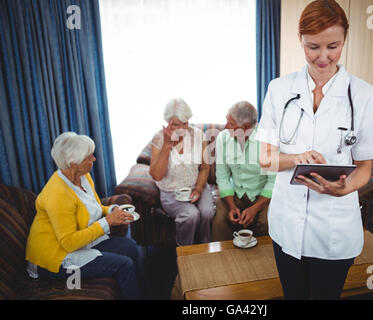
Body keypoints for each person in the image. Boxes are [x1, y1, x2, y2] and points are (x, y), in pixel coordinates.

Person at [256, 0, 373, 299]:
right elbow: (265, 159)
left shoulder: (364, 95)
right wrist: (295, 158)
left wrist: (343, 189)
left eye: (333, 46)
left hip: (334, 226)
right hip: (287, 222)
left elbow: (365, 167)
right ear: (300, 40)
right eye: (312, 47)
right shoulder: (279, 89)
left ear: (345, 39)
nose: (323, 57)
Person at [25, 132, 142, 299]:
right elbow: (69, 243)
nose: (93, 159)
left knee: (130, 246)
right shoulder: (57, 194)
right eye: (89, 157)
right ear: (74, 163)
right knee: (124, 265)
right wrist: (107, 223)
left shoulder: (83, 176)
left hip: (78, 243)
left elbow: (94, 207)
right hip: (56, 256)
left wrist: (112, 211)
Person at [149, 98, 215, 246]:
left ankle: (205, 249)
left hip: (197, 186)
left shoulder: (198, 135)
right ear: (167, 122)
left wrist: (198, 188)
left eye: (185, 124)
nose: (182, 129)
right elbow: (157, 175)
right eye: (176, 125)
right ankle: (185, 253)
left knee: (207, 211)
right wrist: (167, 145)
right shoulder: (159, 139)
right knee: (191, 215)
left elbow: (205, 167)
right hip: (171, 191)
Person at [212, 101, 275, 241]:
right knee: (220, 222)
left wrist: (255, 208)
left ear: (245, 127)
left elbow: (273, 181)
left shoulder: (268, 140)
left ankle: (263, 261)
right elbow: (222, 176)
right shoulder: (223, 138)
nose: (226, 126)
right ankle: (222, 259)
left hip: (262, 195)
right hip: (235, 194)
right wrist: (232, 206)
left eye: (231, 124)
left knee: (267, 223)